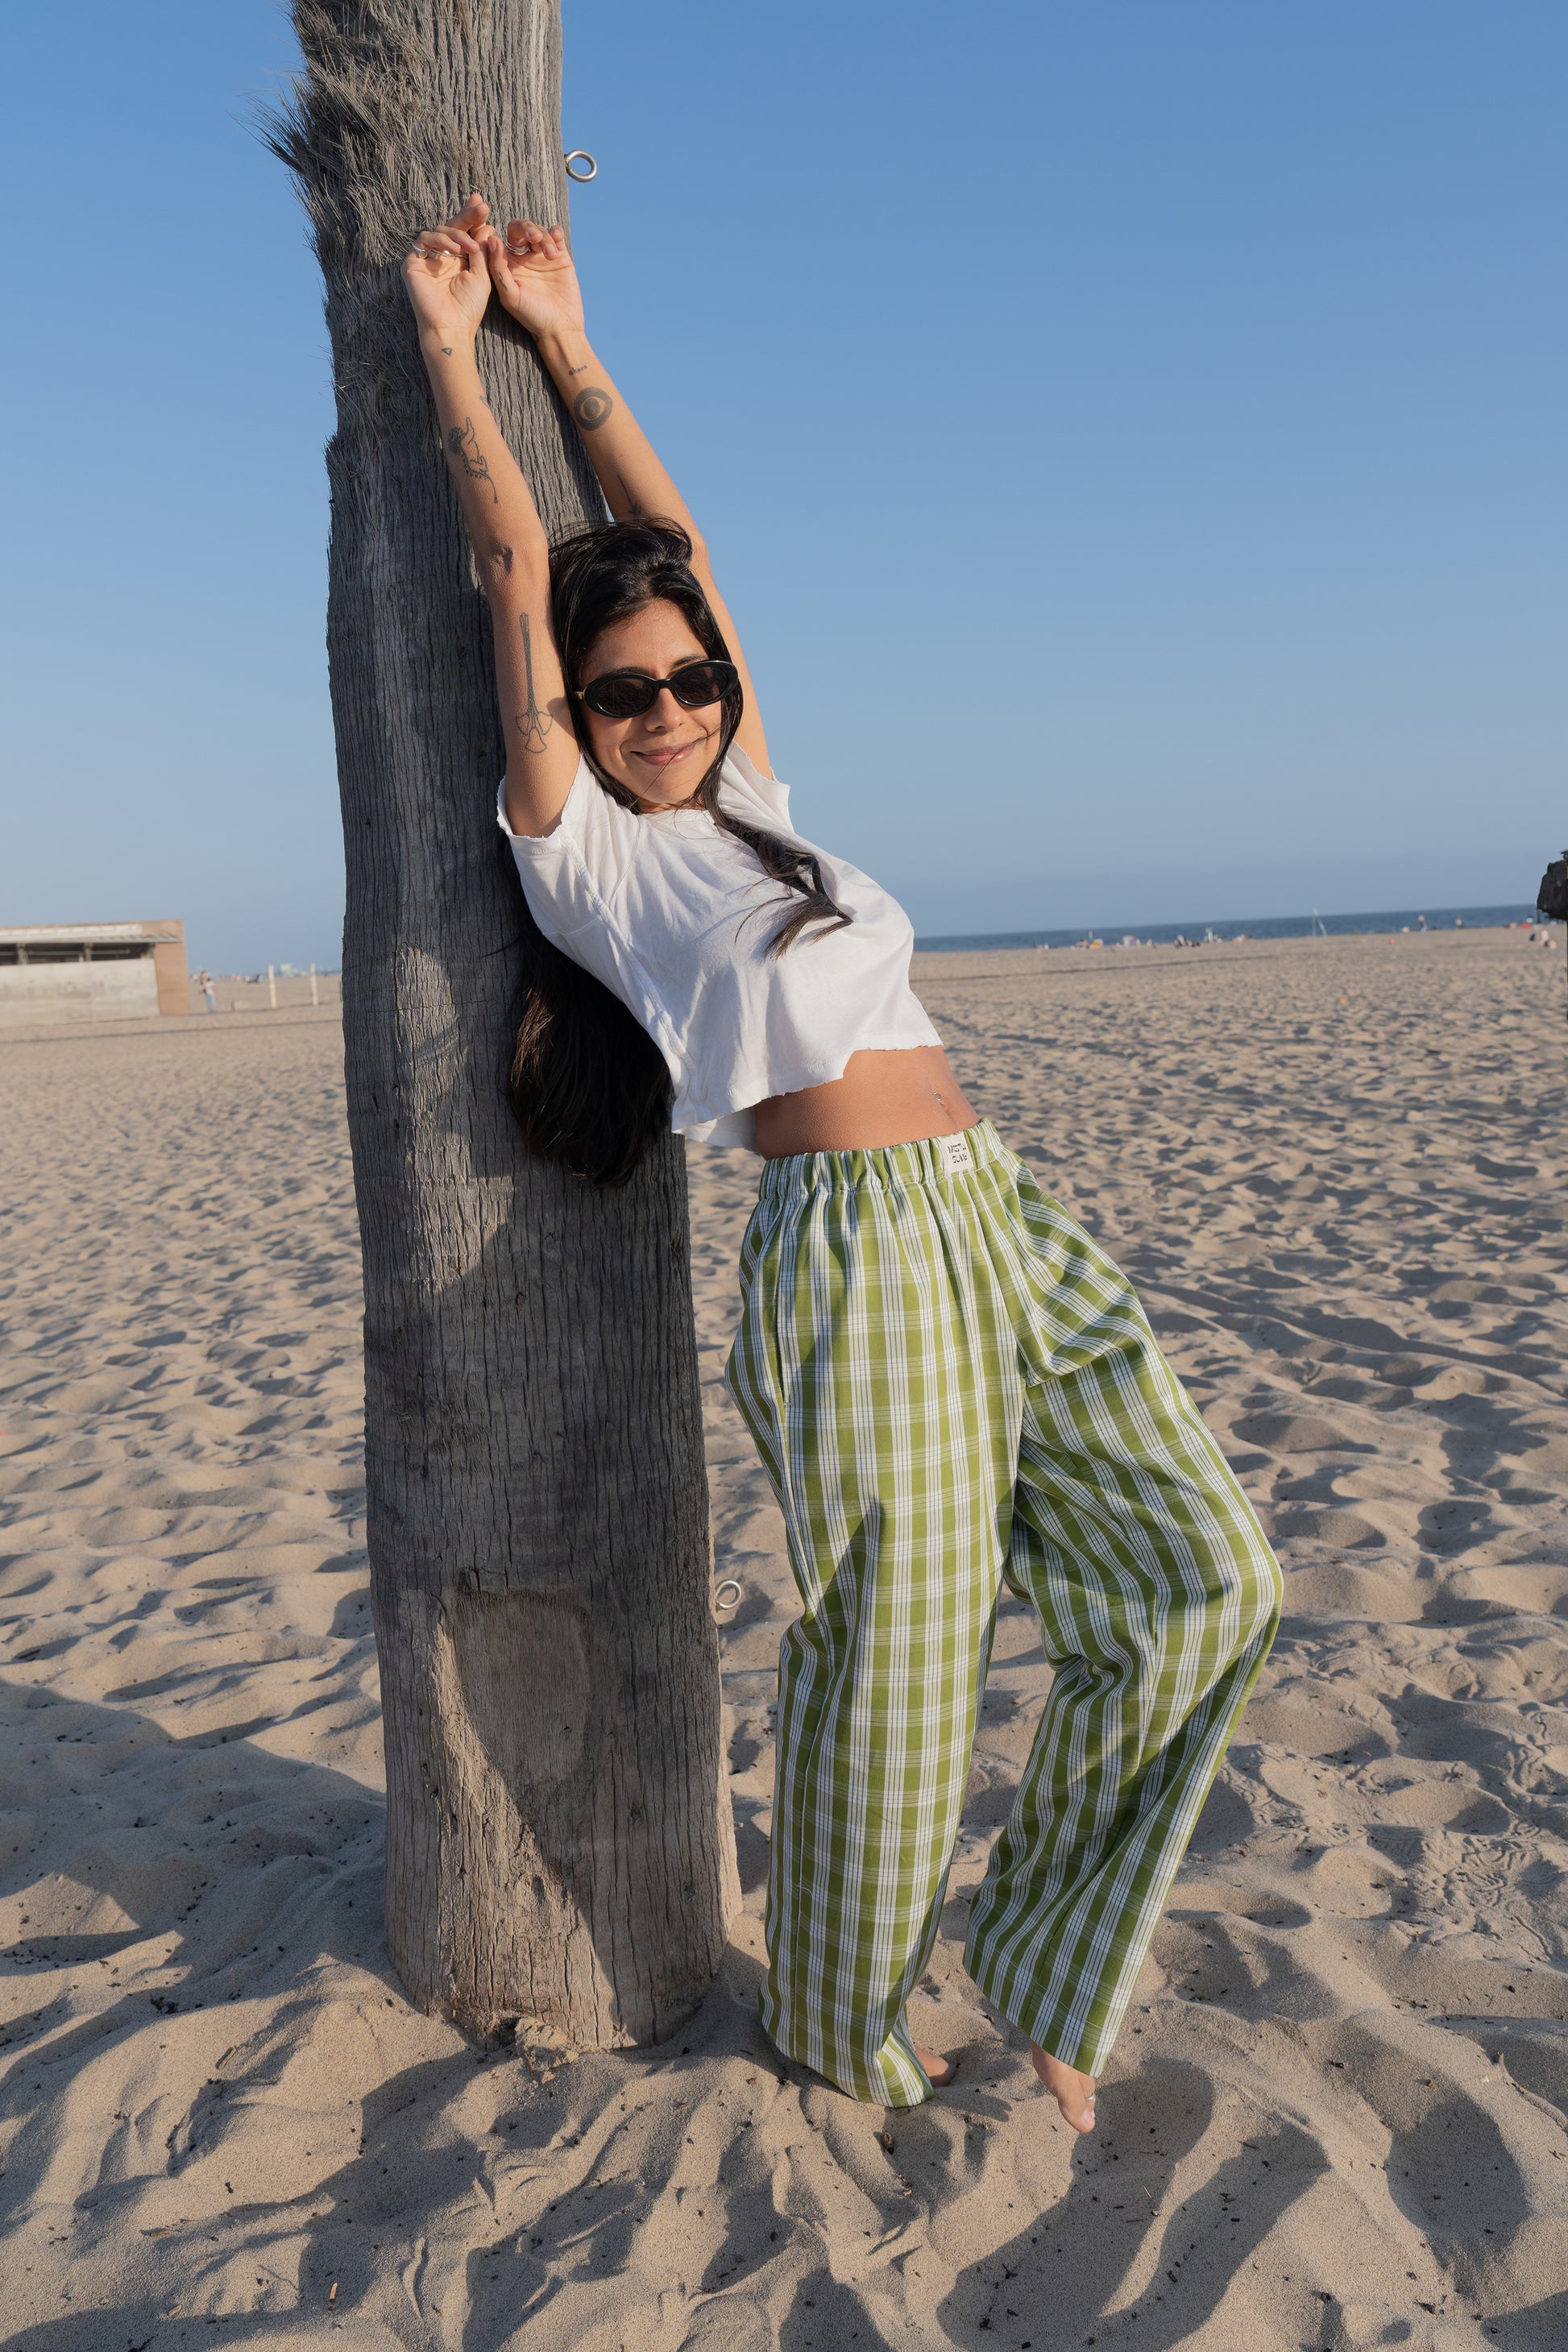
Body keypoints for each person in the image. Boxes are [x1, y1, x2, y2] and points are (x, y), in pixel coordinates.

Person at [402, 197, 1282, 2127]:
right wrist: (456, 351)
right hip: (856, 1242)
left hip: (999, 1210)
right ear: (577, 708)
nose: (664, 711)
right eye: (622, 690)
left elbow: (688, 553)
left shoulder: (755, 806)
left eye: (687, 681)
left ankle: (1048, 1957)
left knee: (1211, 1578)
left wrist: (574, 335)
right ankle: (842, 2017)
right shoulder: (590, 852)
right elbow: (500, 554)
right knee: (894, 1656)